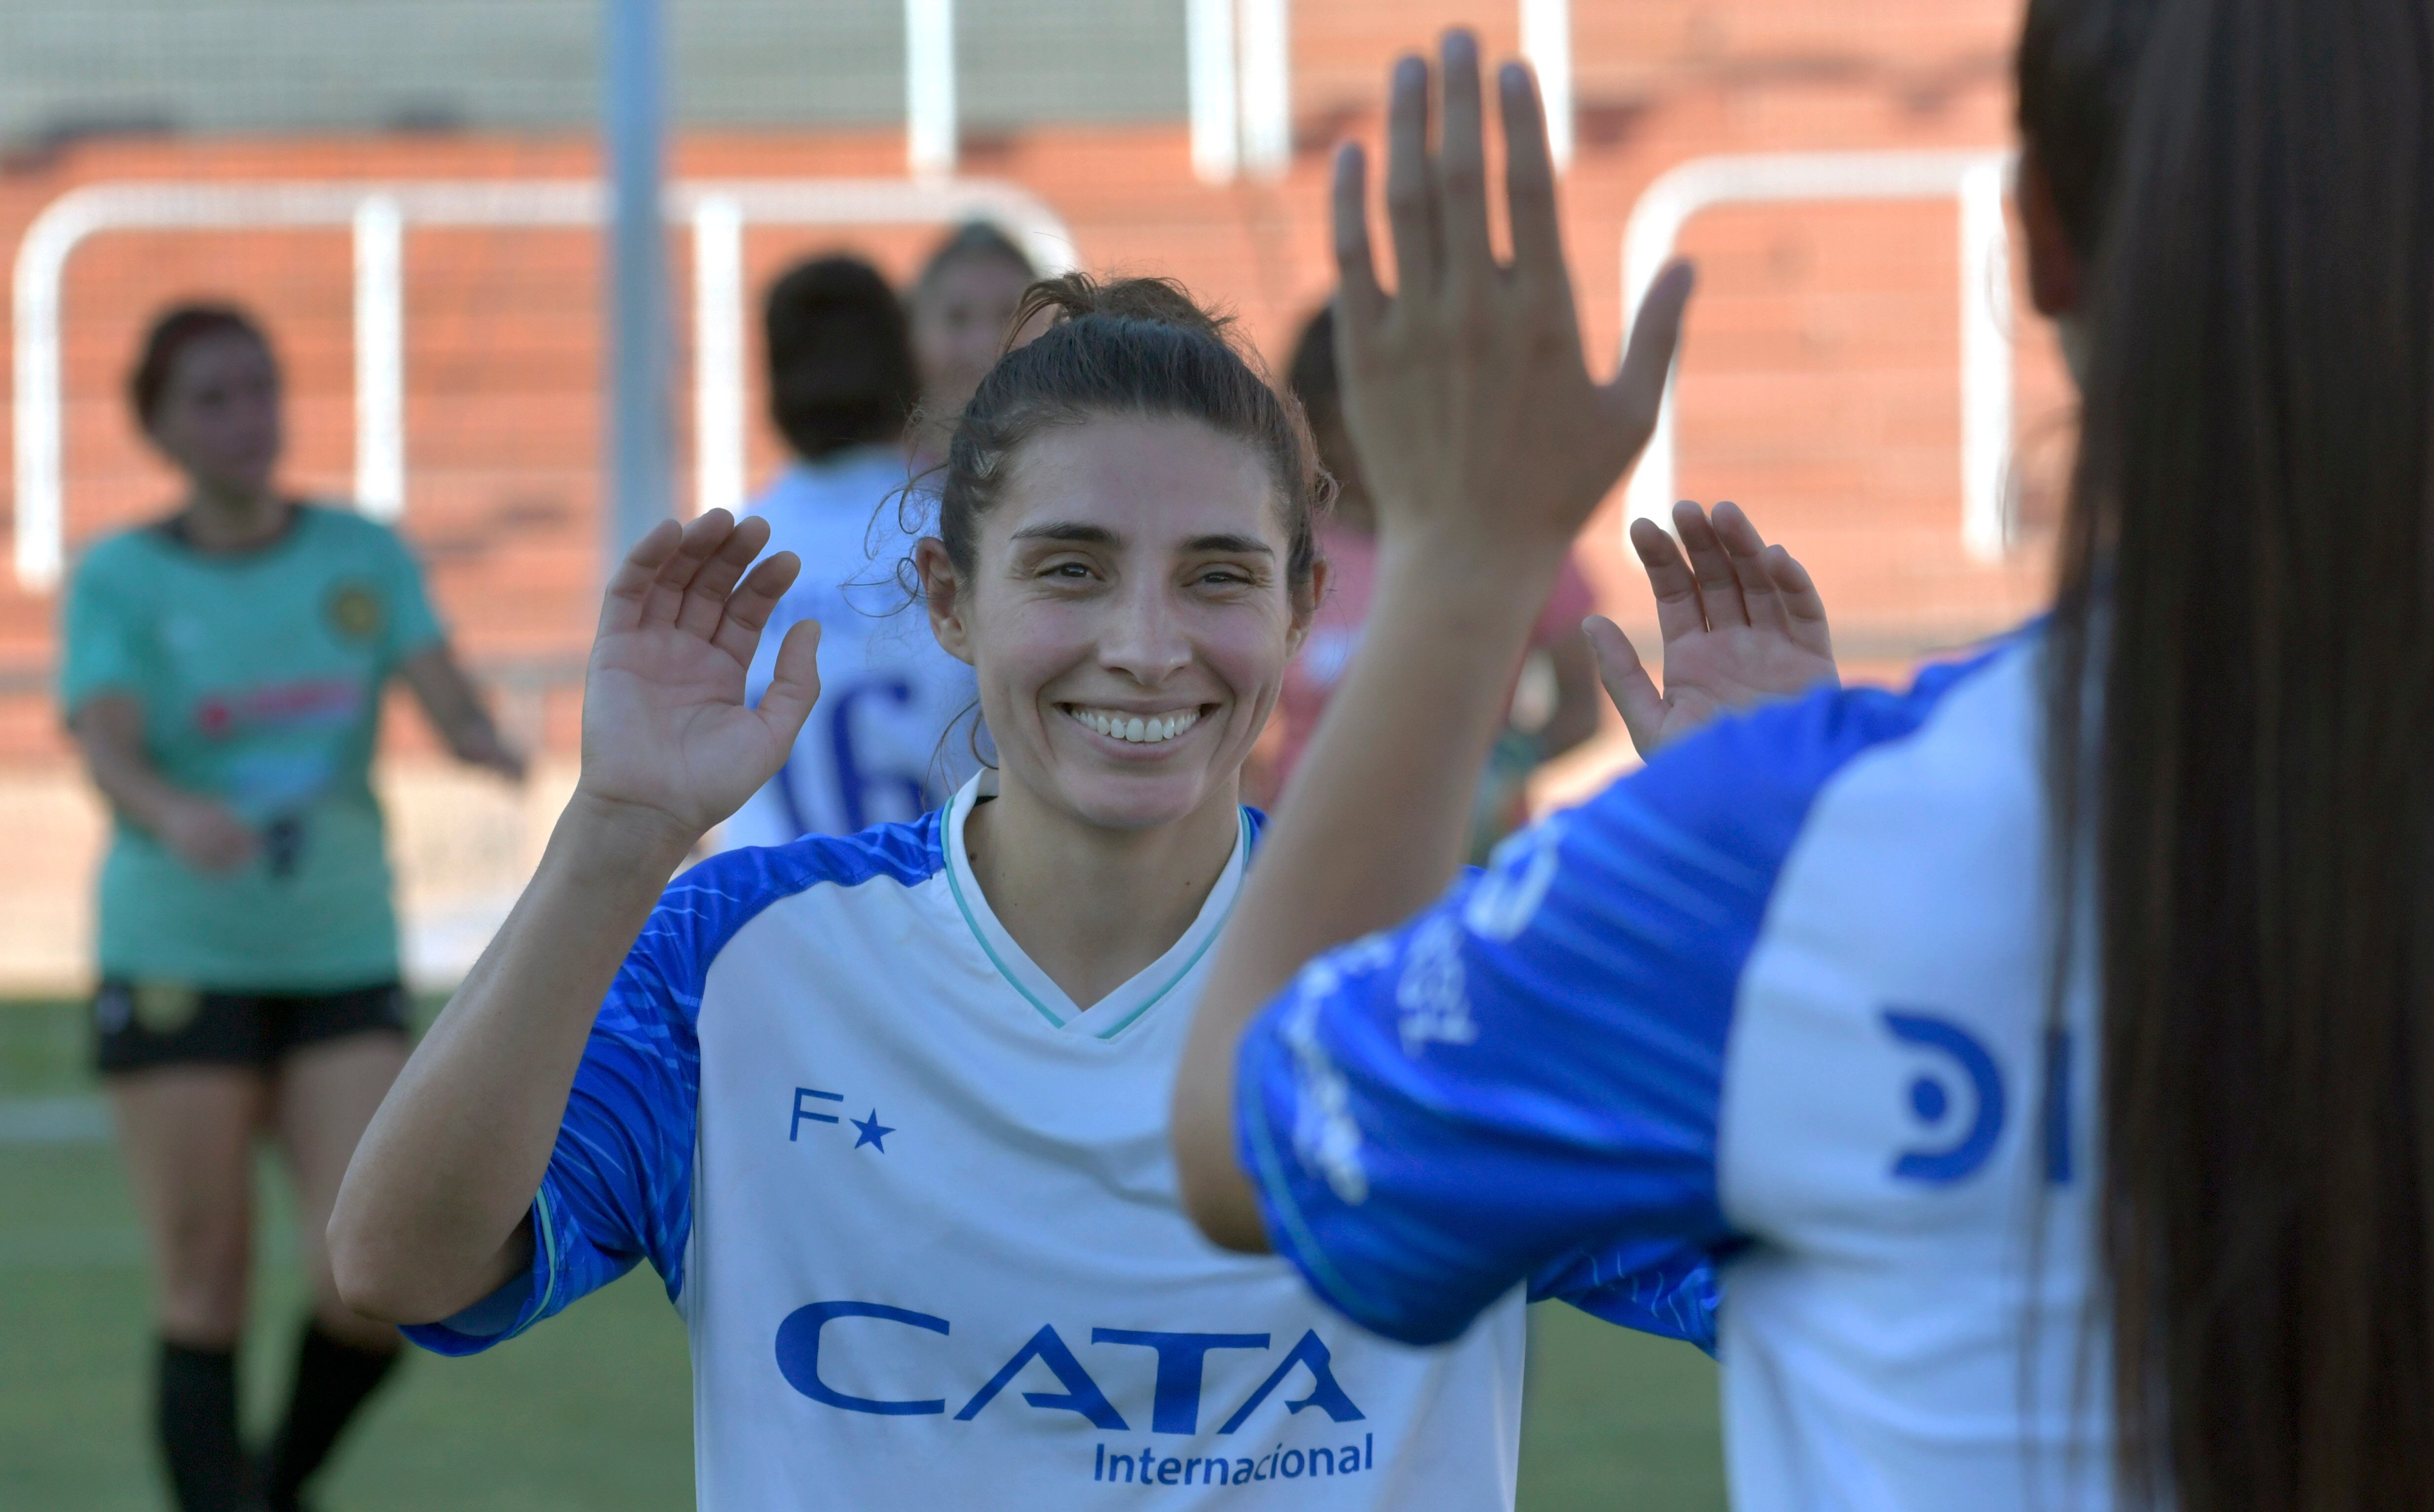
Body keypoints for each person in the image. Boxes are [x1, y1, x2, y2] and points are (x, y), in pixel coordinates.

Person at [1176, 11, 2434, 1510]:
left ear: (2033, 240)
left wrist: (1464, 563)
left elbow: (1248, 1131)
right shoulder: (1794, 834)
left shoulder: (1790, 848)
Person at [328, 270, 1824, 1507]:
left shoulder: (1445, 980)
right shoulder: (741, 958)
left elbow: (1832, 1277)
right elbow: (403, 1260)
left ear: (1305, 606)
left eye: (1222, 576)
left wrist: (1784, 878)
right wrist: (618, 824)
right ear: (948, 599)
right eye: (1071, 570)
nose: (1150, 643)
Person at [61, 303, 526, 1512]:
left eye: (261, 389)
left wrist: (485, 740)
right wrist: (170, 811)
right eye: (212, 397)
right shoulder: (120, 576)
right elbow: (105, 740)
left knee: (378, 1274)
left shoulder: (359, 555)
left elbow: (441, 685)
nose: (246, 418)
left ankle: (272, 1488)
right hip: (179, 950)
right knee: (204, 1279)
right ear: (158, 424)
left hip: (339, 951)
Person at [1265, 305, 1603, 853]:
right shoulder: (1282, 540)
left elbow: (1582, 707)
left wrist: (1499, 775)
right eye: (1339, 414)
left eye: (1392, 410)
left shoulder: (1510, 531)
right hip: (1304, 857)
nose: (1364, 437)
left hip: (1459, 864)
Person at [719, 255, 978, 846]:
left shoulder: (725, 557)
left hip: (773, 919)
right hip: (944, 914)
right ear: (907, 375)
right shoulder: (963, 536)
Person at [906, 221, 1038, 467]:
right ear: (913, 332)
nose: (984, 342)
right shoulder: (866, 489)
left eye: (1007, 315)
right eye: (958, 317)